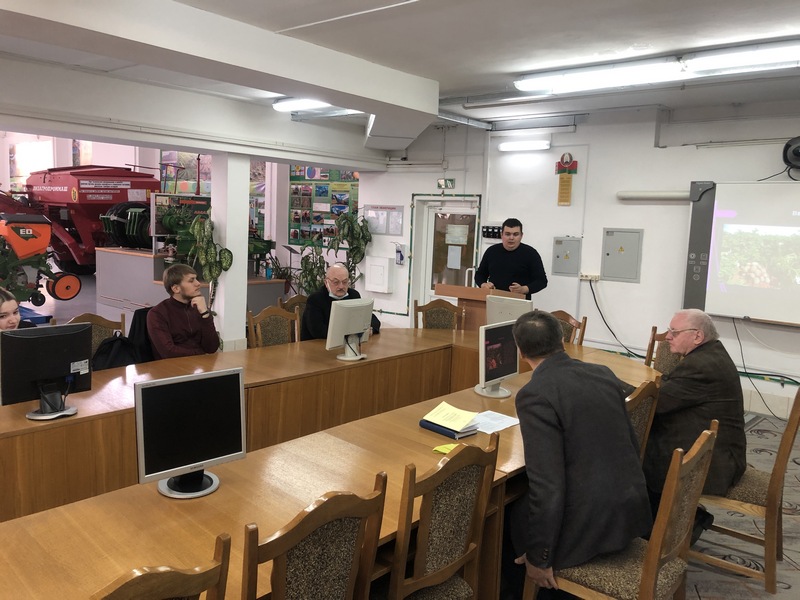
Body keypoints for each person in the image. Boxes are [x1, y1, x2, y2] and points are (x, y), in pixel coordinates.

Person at [504, 310, 651, 596]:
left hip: (589, 527)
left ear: (520, 352)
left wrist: (539, 557)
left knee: (508, 517)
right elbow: (631, 445)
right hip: (630, 510)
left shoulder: (535, 395)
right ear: (562, 340)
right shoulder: (603, 373)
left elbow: (548, 485)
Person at [643, 308, 746, 539]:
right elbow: (670, 387)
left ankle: (674, 527)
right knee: (641, 440)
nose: (668, 337)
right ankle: (661, 520)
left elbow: (656, 403)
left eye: (674, 332)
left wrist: (615, 388)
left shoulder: (702, 365)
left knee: (636, 446)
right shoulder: (710, 353)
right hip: (716, 443)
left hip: (717, 460)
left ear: (697, 336)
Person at [147, 264, 219, 359]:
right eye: (191, 280)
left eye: (196, 279)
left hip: (200, 364)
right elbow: (168, 352)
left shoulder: (199, 308)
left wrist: (205, 314)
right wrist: (200, 354)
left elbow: (212, 348)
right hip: (172, 366)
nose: (198, 283)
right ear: (176, 288)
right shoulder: (157, 314)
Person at [300, 263, 380, 341]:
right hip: (316, 345)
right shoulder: (315, 299)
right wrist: (351, 333)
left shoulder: (353, 295)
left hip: (347, 344)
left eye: (345, 282)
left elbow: (372, 319)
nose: (341, 286)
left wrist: (370, 329)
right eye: (336, 282)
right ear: (326, 282)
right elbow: (318, 331)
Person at [475, 218, 547, 299]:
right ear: (501, 235)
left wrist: (523, 289)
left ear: (521, 236)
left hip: (519, 302)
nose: (511, 238)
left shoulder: (531, 253)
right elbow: (480, 275)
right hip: (493, 300)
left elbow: (542, 281)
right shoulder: (491, 251)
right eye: (507, 234)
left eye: (515, 234)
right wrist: (483, 284)